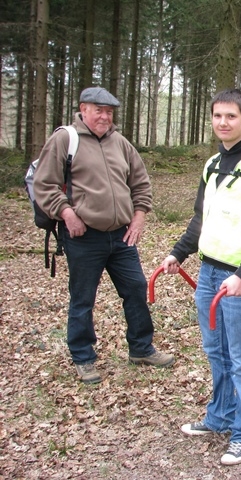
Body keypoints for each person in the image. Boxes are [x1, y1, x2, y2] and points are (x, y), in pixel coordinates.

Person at [161, 89, 241, 466]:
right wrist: (178, 252)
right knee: (216, 351)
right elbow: (202, 217)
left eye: (231, 116)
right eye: (218, 116)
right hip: (209, 271)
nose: (223, 122)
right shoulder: (213, 163)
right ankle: (219, 416)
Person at [33, 87, 175, 385]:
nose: (104, 117)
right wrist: (67, 214)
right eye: (98, 110)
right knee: (83, 298)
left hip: (121, 236)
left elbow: (141, 183)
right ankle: (83, 357)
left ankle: (141, 348)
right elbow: (44, 185)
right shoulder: (65, 139)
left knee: (136, 288)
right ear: (83, 109)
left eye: (109, 112)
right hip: (83, 236)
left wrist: (139, 216)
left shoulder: (120, 143)